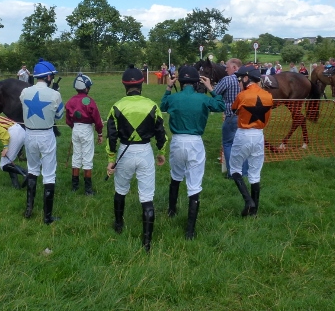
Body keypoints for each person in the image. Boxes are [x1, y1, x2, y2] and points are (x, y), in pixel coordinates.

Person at [106, 65, 167, 252]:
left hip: (125, 151)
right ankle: (147, 243)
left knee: (121, 190)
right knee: (147, 197)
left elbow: (111, 135)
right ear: (142, 84)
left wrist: (110, 158)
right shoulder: (152, 105)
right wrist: (161, 152)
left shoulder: (117, 106)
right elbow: (161, 133)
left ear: (124, 85)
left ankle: (118, 225)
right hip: (145, 152)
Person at [161, 66, 224, 240]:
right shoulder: (203, 98)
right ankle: (190, 231)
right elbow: (220, 106)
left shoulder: (174, 98)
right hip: (195, 142)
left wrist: (168, 87)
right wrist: (211, 88)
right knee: (194, 184)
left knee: (175, 177)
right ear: (197, 82)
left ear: (180, 81)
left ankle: (172, 210)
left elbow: (163, 105)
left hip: (177, 141)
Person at [19, 58, 64, 224]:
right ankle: (47, 217)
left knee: (32, 169)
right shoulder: (55, 94)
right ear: (49, 77)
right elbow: (59, 115)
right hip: (46, 135)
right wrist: (55, 93)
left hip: (29, 134)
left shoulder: (24, 92)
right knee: (49, 174)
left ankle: (29, 208)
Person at [229, 65, 273, 217]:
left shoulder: (242, 95)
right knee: (255, 173)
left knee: (235, 169)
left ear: (246, 78)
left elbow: (233, 110)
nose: (239, 82)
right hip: (259, 135)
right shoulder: (268, 95)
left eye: (240, 79)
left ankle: (248, 201)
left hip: (244, 134)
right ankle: (254, 212)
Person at [65, 73, 103, 195]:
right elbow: (97, 119)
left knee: (76, 156)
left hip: (75, 129)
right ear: (86, 88)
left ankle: (75, 186)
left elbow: (67, 120)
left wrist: (73, 126)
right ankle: (88, 189)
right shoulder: (89, 101)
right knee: (87, 158)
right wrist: (100, 133)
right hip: (86, 129)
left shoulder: (71, 100)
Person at [213, 58, 247, 178]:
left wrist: (208, 86)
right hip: (245, 117)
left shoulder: (227, 80)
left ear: (234, 67)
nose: (225, 69)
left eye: (227, 67)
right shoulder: (246, 80)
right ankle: (245, 172)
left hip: (231, 116)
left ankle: (232, 173)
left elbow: (215, 93)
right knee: (243, 145)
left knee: (228, 144)